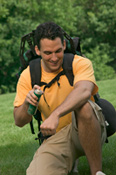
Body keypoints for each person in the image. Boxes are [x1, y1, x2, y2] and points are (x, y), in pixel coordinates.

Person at [13, 22, 107, 175]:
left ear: (64, 44)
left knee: (83, 106)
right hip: (57, 136)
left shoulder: (80, 62)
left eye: (58, 51)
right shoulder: (27, 75)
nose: (54, 58)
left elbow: (84, 91)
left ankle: (97, 172)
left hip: (91, 126)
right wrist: (26, 104)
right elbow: (19, 121)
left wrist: (55, 114)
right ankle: (69, 161)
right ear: (37, 50)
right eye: (48, 53)